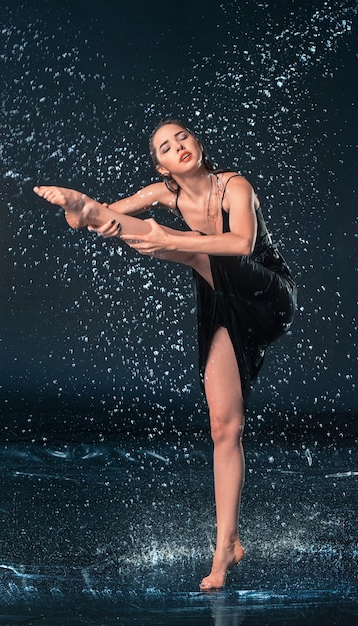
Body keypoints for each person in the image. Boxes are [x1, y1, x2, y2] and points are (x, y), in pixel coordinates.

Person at [34, 119, 297, 590]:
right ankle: (227, 546)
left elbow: (242, 244)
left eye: (183, 138)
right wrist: (99, 218)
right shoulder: (162, 193)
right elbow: (119, 218)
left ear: (198, 143)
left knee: (200, 254)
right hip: (217, 298)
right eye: (166, 147)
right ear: (162, 166)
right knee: (224, 427)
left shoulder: (235, 185)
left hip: (267, 293)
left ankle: (89, 212)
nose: (179, 148)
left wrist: (169, 239)